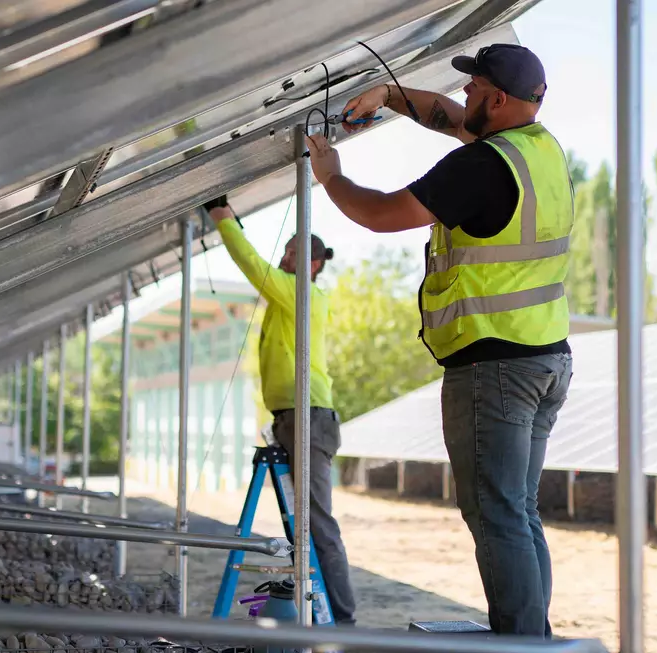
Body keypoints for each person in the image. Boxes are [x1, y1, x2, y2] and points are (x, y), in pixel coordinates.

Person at [303, 44, 574, 638]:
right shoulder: (540, 149)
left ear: (498, 100)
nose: (465, 98)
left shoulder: (479, 167)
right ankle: (534, 637)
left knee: (497, 516)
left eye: (475, 88)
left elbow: (379, 214)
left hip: (494, 364)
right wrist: (388, 95)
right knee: (518, 511)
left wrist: (331, 177)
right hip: (545, 357)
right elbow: (447, 117)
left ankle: (524, 645)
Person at [203, 196, 357, 626]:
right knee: (306, 523)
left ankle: (342, 620)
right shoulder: (287, 297)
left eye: (294, 254)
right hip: (294, 417)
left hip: (308, 417)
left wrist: (223, 218)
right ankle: (321, 609)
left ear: (313, 265)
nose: (285, 259)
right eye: (285, 252)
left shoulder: (301, 295)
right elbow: (263, 268)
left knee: (318, 525)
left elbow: (253, 265)